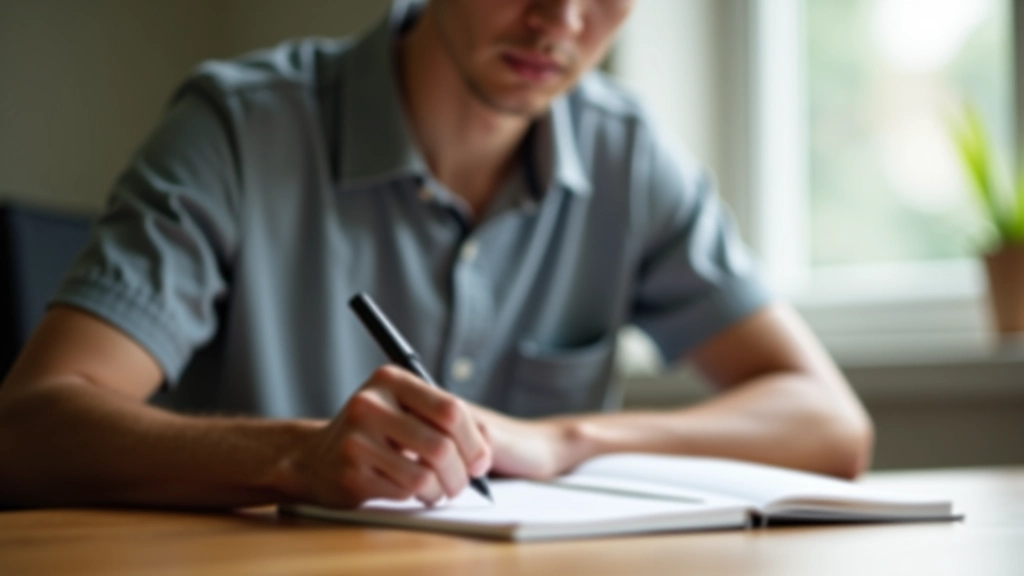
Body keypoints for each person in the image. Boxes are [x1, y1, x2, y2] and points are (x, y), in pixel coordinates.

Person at [0, 0, 872, 510]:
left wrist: (569, 440)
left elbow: (832, 427)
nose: (560, 22)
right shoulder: (238, 131)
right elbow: (30, 426)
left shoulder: (628, 156)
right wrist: (297, 458)